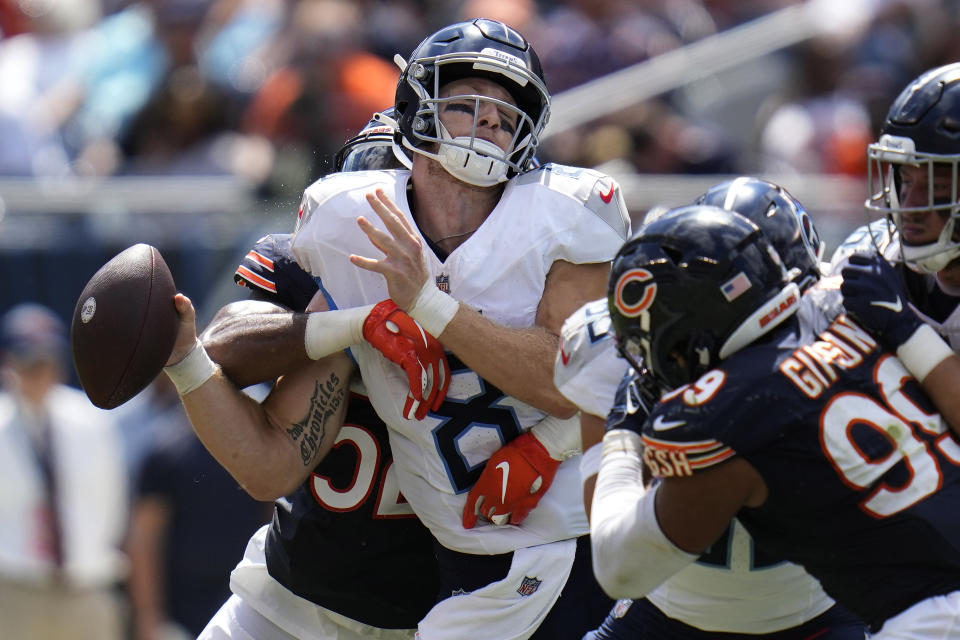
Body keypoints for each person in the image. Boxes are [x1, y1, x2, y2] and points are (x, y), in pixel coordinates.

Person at [289, 17, 629, 638]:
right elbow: (262, 338)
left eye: (508, 108)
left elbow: (572, 383)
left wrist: (428, 306)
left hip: (557, 546)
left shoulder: (562, 213)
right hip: (458, 554)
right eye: (471, 101)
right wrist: (358, 322)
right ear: (418, 107)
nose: (494, 118)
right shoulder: (345, 214)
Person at [592, 204, 960, 637]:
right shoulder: (851, 315)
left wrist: (620, 435)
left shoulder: (725, 410)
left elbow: (620, 571)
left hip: (930, 617)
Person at [170, 111, 442, 640]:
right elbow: (224, 344)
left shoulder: (490, 288)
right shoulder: (308, 272)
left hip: (434, 618)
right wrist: (349, 319)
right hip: (286, 596)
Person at [554, 178, 864, 638]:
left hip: (814, 608)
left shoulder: (850, 330)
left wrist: (630, 419)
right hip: (669, 607)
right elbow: (612, 536)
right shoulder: (627, 346)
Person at [0, 303, 128, 640]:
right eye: (29, 362)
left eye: (46, 361)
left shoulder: (91, 422)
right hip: (16, 586)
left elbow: (112, 501)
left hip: (86, 582)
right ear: (9, 363)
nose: (40, 372)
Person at [126, 374, 272, 640]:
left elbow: (274, 520)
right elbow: (144, 540)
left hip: (244, 602)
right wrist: (149, 616)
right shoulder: (165, 448)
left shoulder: (261, 448)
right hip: (180, 609)